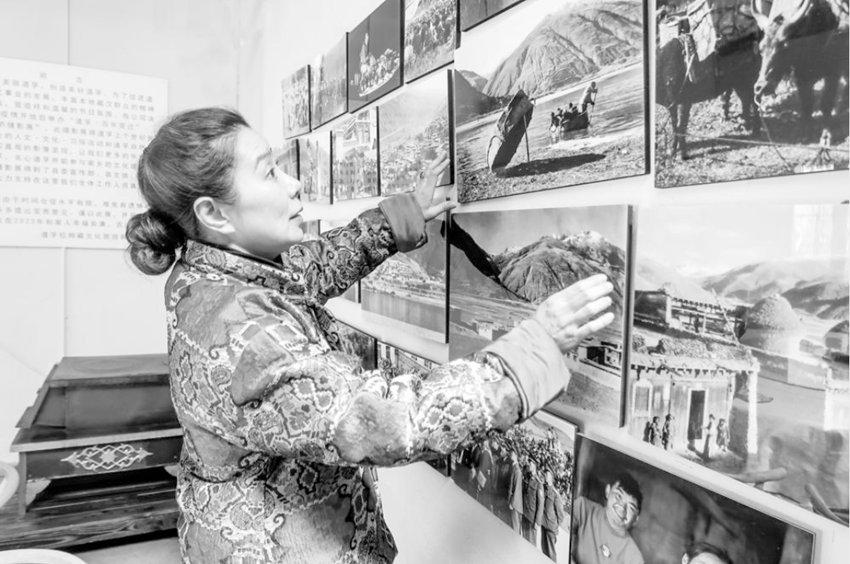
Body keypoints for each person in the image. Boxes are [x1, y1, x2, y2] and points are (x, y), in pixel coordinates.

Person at [125, 107, 616, 563]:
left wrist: (406, 215)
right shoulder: (241, 333)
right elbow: (383, 420)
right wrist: (532, 350)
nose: (293, 183)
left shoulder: (216, 271)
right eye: (269, 172)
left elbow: (317, 264)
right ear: (214, 213)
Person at [571, 472, 644, 564]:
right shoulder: (583, 508)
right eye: (618, 496)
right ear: (608, 491)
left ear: (636, 519)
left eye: (631, 507)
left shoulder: (635, 558)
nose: (622, 508)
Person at [541, 469, 564, 562]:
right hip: (544, 525)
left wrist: (554, 527)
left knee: (551, 555)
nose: (545, 476)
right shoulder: (544, 489)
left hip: (551, 528)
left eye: (548, 474)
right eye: (545, 474)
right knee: (544, 551)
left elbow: (561, 516)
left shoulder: (555, 495)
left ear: (552, 477)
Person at [522, 459, 545, 547]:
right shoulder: (528, 477)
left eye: (531, 463)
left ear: (535, 466)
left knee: (531, 543)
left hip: (532, 518)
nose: (529, 465)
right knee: (524, 539)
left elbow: (540, 505)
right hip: (525, 514)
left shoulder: (539, 484)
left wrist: (537, 522)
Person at [508, 450, 524, 535]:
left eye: (513, 454)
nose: (511, 455)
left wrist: (512, 503)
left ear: (516, 456)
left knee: (515, 529)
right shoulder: (513, 467)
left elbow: (517, 489)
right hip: (512, 503)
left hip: (515, 505)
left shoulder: (517, 471)